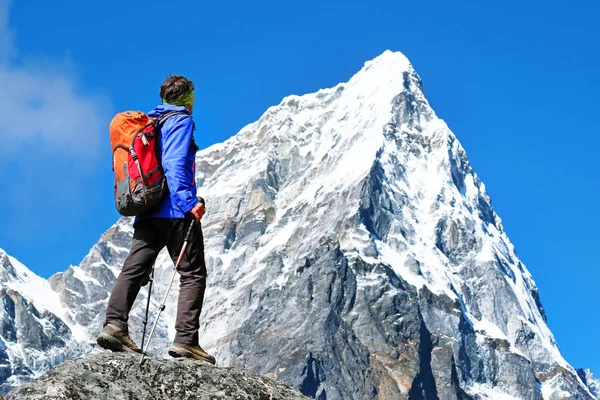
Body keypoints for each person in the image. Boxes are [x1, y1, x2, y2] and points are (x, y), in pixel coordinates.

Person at [96, 75, 215, 364]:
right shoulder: (181, 121)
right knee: (192, 273)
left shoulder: (149, 124)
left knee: (134, 268)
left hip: (147, 209)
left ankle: (115, 326)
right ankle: (186, 340)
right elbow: (174, 164)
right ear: (187, 99)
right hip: (175, 211)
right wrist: (189, 203)